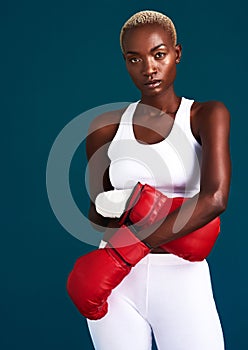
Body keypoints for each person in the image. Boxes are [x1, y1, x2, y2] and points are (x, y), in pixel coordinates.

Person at [68, 10, 231, 350]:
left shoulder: (206, 115)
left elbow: (215, 198)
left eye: (159, 55)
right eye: (134, 59)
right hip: (117, 281)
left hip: (179, 276)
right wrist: (115, 205)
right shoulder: (105, 126)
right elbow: (97, 216)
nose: (149, 68)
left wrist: (130, 240)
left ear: (177, 53)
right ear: (125, 62)